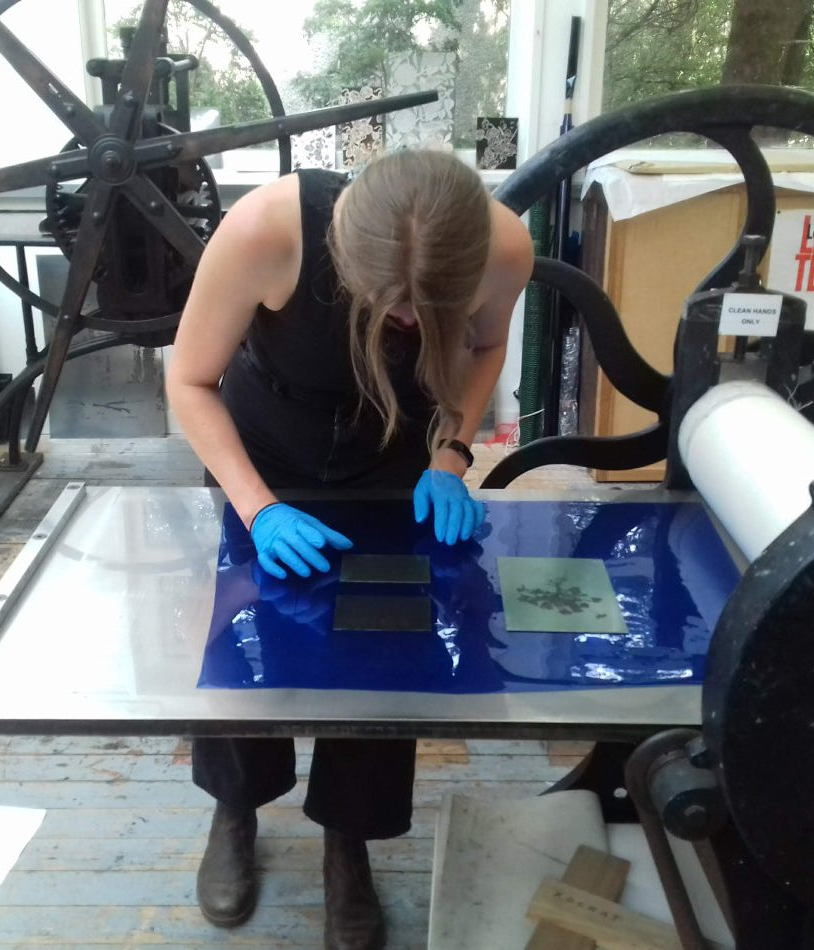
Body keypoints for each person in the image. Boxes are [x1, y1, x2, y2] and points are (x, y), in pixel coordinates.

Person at [166, 148, 534, 949]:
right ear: (345, 259)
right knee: (240, 638)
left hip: (391, 456)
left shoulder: (503, 249)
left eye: (429, 309)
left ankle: (348, 843)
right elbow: (188, 381)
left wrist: (451, 456)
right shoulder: (267, 231)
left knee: (382, 648)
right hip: (261, 451)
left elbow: (482, 349)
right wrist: (258, 509)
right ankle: (234, 809)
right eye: (393, 307)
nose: (409, 326)